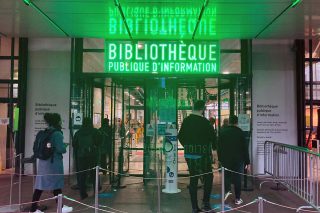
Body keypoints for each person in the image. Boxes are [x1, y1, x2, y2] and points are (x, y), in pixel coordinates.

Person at [178, 100, 216, 213]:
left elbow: (180, 136)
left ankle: (194, 207)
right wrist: (213, 151)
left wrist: (188, 146)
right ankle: (206, 203)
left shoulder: (186, 121)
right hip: (202, 154)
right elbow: (213, 138)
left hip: (189, 154)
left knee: (193, 178)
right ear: (202, 109)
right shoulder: (205, 122)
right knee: (209, 176)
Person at [30, 113, 72, 213]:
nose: (61, 121)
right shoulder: (57, 133)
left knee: (40, 186)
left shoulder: (46, 132)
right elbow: (61, 149)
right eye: (60, 120)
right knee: (56, 184)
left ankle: (34, 209)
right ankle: (60, 207)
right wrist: (64, 146)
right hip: (53, 163)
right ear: (57, 121)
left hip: (43, 163)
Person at [217, 115, 251, 205]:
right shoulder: (240, 132)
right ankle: (237, 198)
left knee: (226, 177)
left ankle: (227, 193)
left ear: (229, 122)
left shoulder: (223, 132)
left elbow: (219, 147)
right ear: (237, 122)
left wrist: (220, 158)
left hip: (226, 158)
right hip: (238, 160)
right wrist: (248, 162)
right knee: (237, 178)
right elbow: (245, 149)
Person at [72, 117, 101, 200]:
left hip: (81, 157)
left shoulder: (78, 132)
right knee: (94, 174)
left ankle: (83, 193)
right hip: (93, 155)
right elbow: (99, 142)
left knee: (82, 175)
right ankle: (96, 190)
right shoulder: (95, 131)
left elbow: (74, 144)